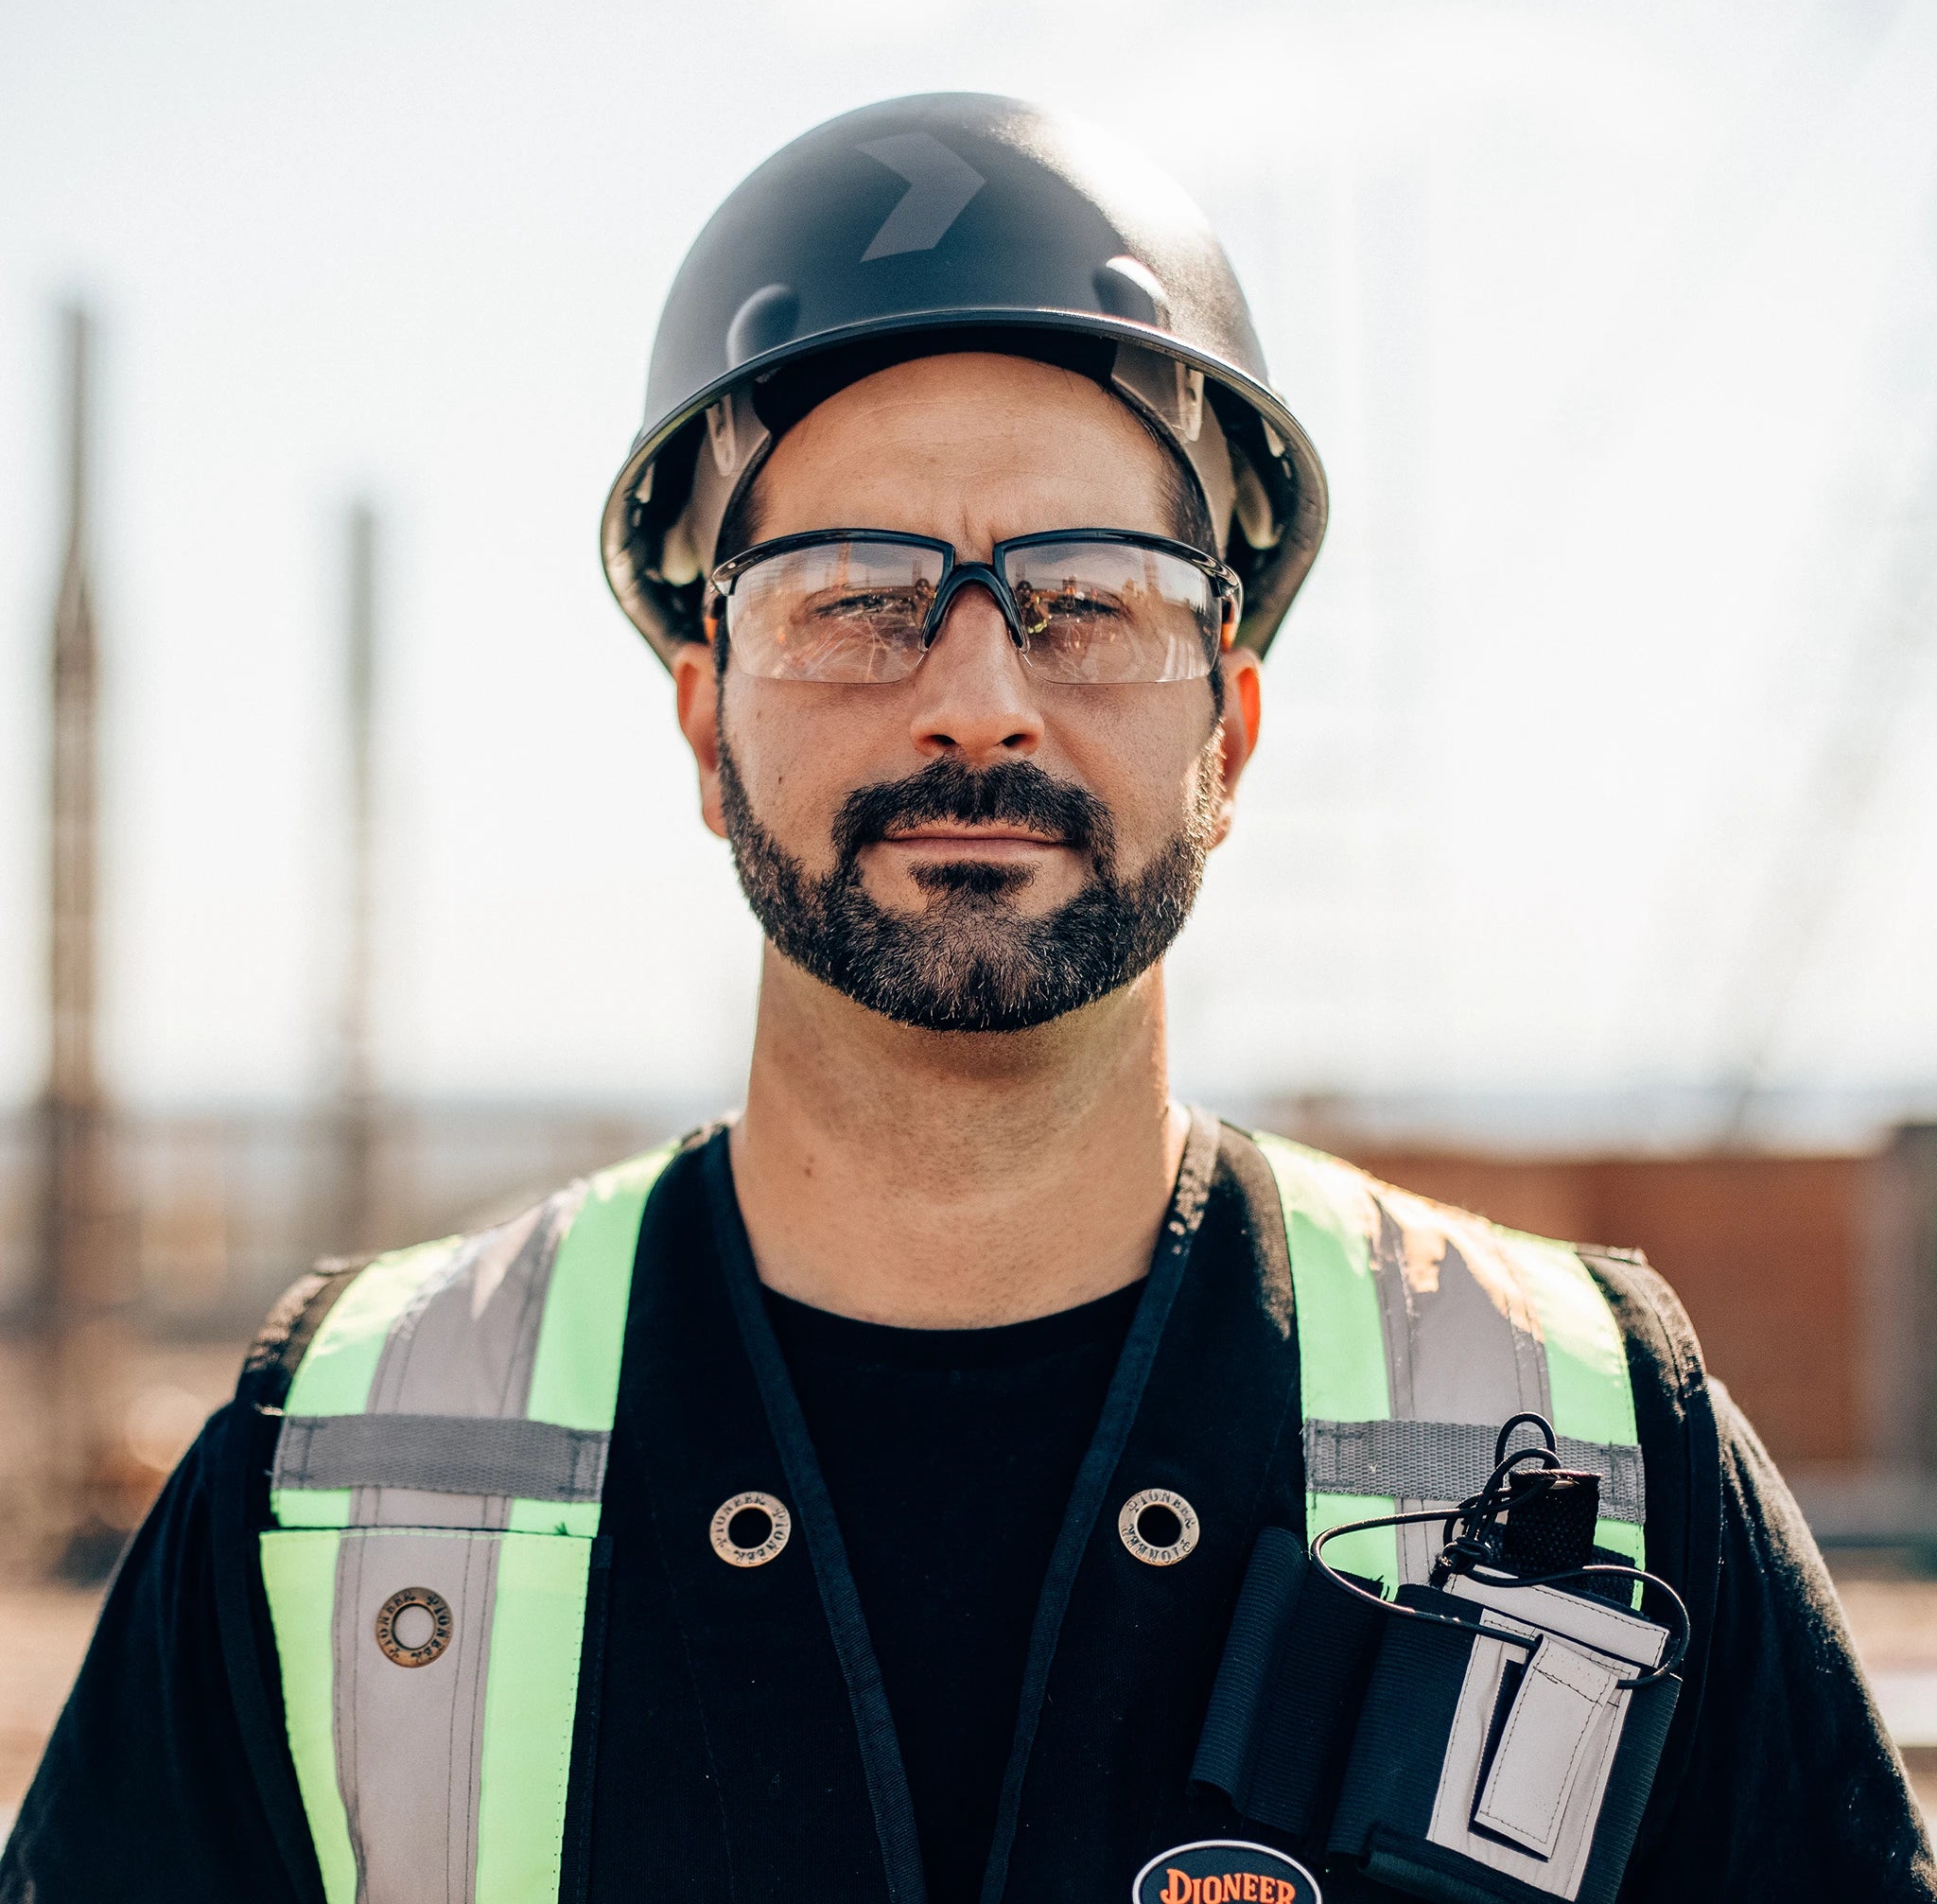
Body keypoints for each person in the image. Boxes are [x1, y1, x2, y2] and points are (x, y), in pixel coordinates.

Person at [5, 93, 1931, 1904]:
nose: (979, 695)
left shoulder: (1598, 1439)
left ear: (1231, 731)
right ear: (704, 720)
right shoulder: (336, 1467)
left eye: (1088, 596)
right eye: (853, 593)